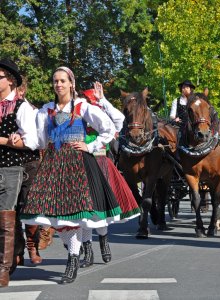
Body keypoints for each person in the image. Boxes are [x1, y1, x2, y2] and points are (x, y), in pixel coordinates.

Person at [20, 66, 122, 284]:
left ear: (71, 83)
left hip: (77, 164)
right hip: (53, 164)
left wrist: (90, 145)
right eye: (55, 81)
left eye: (63, 81)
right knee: (52, 216)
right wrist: (18, 139)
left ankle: (73, 259)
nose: (58, 84)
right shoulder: (45, 110)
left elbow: (109, 128)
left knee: (73, 216)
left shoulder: (82, 107)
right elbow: (38, 140)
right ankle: (74, 252)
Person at [78, 83, 140, 268]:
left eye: (90, 100)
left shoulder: (101, 114)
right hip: (79, 164)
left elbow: (119, 120)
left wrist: (103, 100)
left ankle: (104, 240)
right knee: (83, 210)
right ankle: (87, 251)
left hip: (99, 162)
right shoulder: (76, 113)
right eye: (86, 100)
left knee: (99, 208)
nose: (87, 102)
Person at [0, 58, 38, 287]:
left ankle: (3, 269)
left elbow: (32, 142)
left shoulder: (21, 107)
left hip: (10, 168)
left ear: (10, 81)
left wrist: (8, 139)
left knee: (5, 218)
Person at [10, 76, 43, 276]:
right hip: (8, 162)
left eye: (20, 92)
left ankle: (32, 245)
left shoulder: (30, 110)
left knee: (29, 206)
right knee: (10, 209)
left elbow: (37, 139)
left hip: (30, 161)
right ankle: (17, 248)